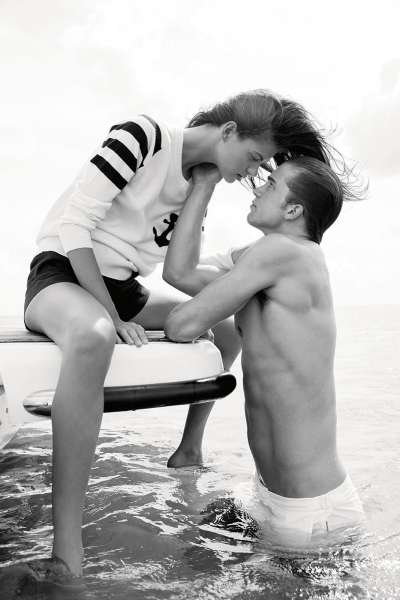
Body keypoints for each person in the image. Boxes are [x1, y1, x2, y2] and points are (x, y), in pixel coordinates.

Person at [23, 89, 338, 579]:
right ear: (229, 132)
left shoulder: (211, 195)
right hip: (63, 271)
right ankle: (67, 550)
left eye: (264, 169)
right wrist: (110, 315)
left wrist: (203, 187)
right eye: (255, 158)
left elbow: (183, 274)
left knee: (226, 328)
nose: (253, 174)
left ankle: (190, 447)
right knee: (95, 335)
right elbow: (74, 224)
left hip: (122, 289)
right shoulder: (143, 136)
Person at [164, 157, 366, 549]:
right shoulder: (267, 258)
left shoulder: (283, 253)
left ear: (293, 210)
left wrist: (222, 286)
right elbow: (178, 272)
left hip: (311, 511)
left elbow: (181, 325)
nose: (256, 188)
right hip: (275, 496)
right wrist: (203, 186)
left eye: (270, 185)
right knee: (195, 553)